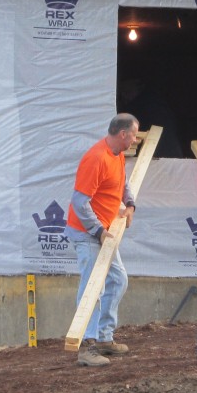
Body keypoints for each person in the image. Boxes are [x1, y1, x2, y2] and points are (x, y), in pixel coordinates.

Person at [66, 114, 140, 367]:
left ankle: (104, 338)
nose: (135, 139)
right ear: (122, 134)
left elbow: (122, 183)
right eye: (134, 134)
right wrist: (97, 230)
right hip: (88, 233)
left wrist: (129, 204)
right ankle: (87, 347)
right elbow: (79, 201)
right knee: (91, 288)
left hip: (103, 231)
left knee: (117, 279)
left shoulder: (117, 154)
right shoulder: (96, 158)